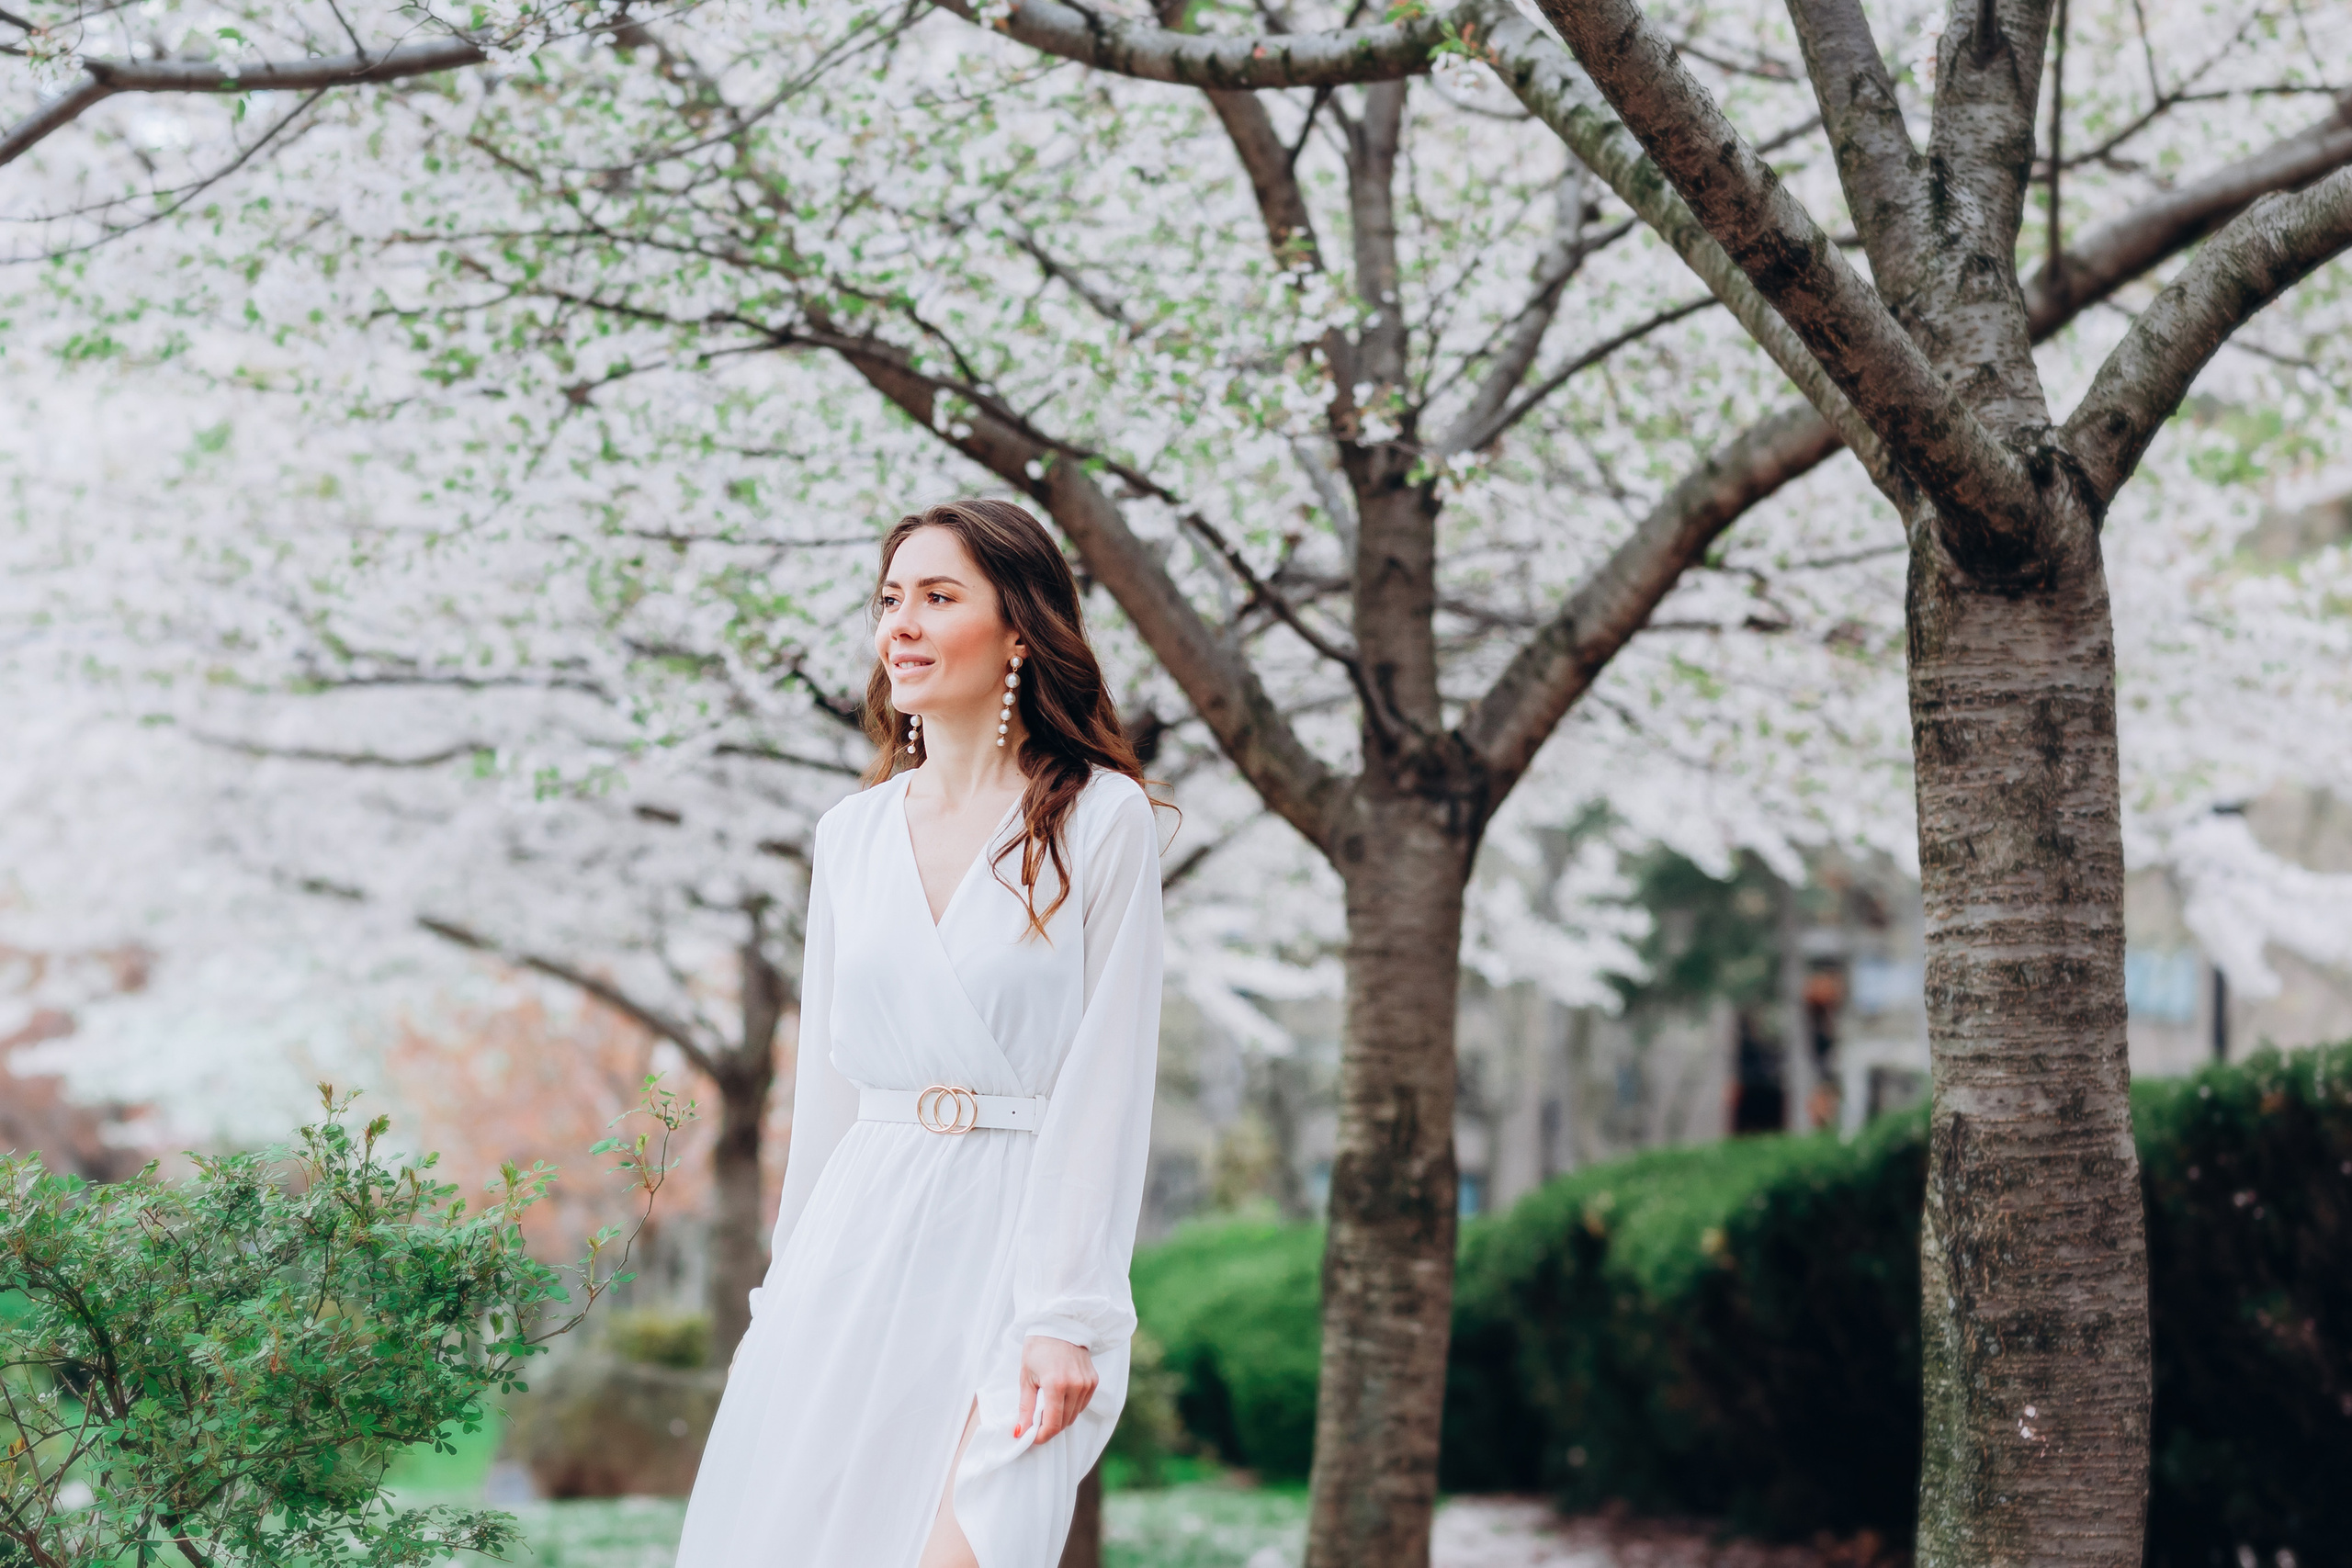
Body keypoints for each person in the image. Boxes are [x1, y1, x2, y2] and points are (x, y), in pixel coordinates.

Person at [673, 499, 1168, 1568]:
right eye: (889, 599)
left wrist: (1068, 1312)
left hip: (1018, 1251)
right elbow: (828, 1098)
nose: (899, 623)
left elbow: (1108, 1082)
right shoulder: (850, 838)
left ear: (1020, 629)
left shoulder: (1101, 819)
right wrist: (788, 1289)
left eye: (938, 597)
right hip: (861, 1239)